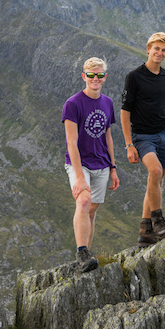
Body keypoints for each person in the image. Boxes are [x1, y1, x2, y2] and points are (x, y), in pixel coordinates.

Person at [121, 32, 165, 248]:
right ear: (148, 48)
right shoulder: (134, 77)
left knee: (157, 180)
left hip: (164, 134)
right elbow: (125, 112)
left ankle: (144, 232)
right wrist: (129, 144)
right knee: (155, 172)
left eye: (164, 50)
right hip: (142, 136)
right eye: (156, 48)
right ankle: (158, 222)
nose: (160, 53)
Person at [62, 57, 120, 273]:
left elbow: (108, 137)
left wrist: (113, 168)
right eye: (91, 75)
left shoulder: (108, 103)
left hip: (102, 164)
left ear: (105, 77)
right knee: (84, 202)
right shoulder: (73, 104)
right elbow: (71, 142)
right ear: (83, 76)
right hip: (80, 164)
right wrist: (78, 176)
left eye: (100, 75)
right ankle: (82, 252)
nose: (95, 79)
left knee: (92, 211)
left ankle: (88, 257)